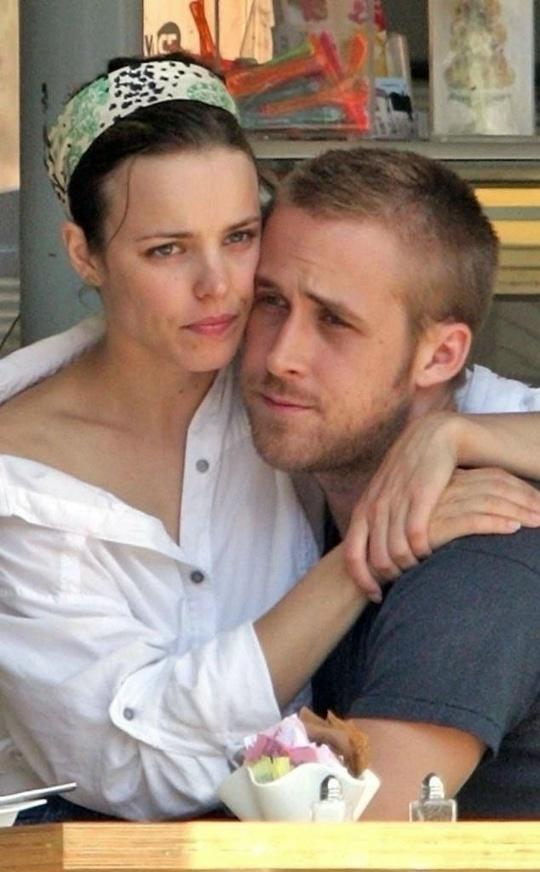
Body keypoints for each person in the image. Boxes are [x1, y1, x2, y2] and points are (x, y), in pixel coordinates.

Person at [0, 53, 538, 823]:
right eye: (166, 249)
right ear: (85, 253)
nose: (220, 289)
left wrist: (454, 433)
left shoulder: (283, 389)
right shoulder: (23, 480)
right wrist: (360, 559)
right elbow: (132, 772)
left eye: (241, 237)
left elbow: (363, 832)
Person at [240, 146, 540, 820]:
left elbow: (350, 840)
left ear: (441, 355)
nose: (281, 356)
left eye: (334, 321)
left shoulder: (485, 552)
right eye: (270, 301)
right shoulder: (288, 509)